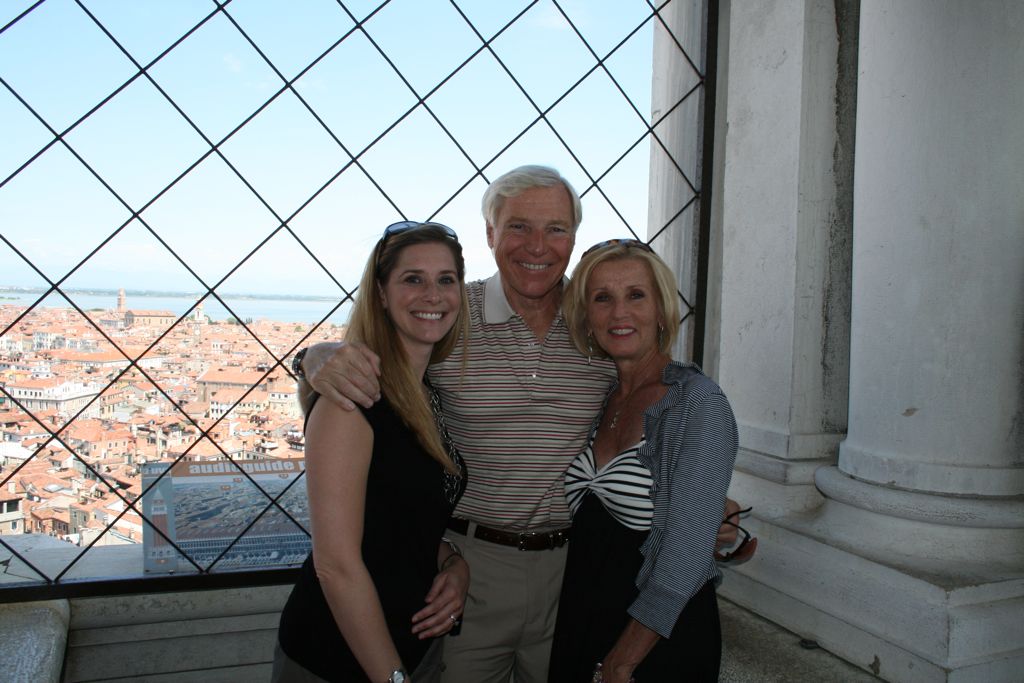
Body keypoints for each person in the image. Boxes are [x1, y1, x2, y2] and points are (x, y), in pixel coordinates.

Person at [295, 166, 742, 683]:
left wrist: (707, 508)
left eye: (556, 228)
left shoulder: (597, 319)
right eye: (518, 227)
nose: (538, 245)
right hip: (469, 571)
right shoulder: (449, 312)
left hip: (573, 574)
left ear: (574, 238)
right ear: (490, 234)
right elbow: (379, 368)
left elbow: (660, 414)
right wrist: (313, 357)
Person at [273, 222, 472, 683]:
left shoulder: (426, 396)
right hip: (339, 659)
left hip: (409, 648)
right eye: (412, 279)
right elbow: (336, 565)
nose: (433, 294)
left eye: (446, 280)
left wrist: (452, 562)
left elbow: (395, 523)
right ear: (380, 294)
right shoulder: (352, 402)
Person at [548, 239, 739, 682]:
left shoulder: (697, 403)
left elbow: (687, 555)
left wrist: (621, 661)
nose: (619, 313)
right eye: (602, 298)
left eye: (636, 295)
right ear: (586, 315)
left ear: (660, 307)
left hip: (655, 640)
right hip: (583, 620)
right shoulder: (603, 397)